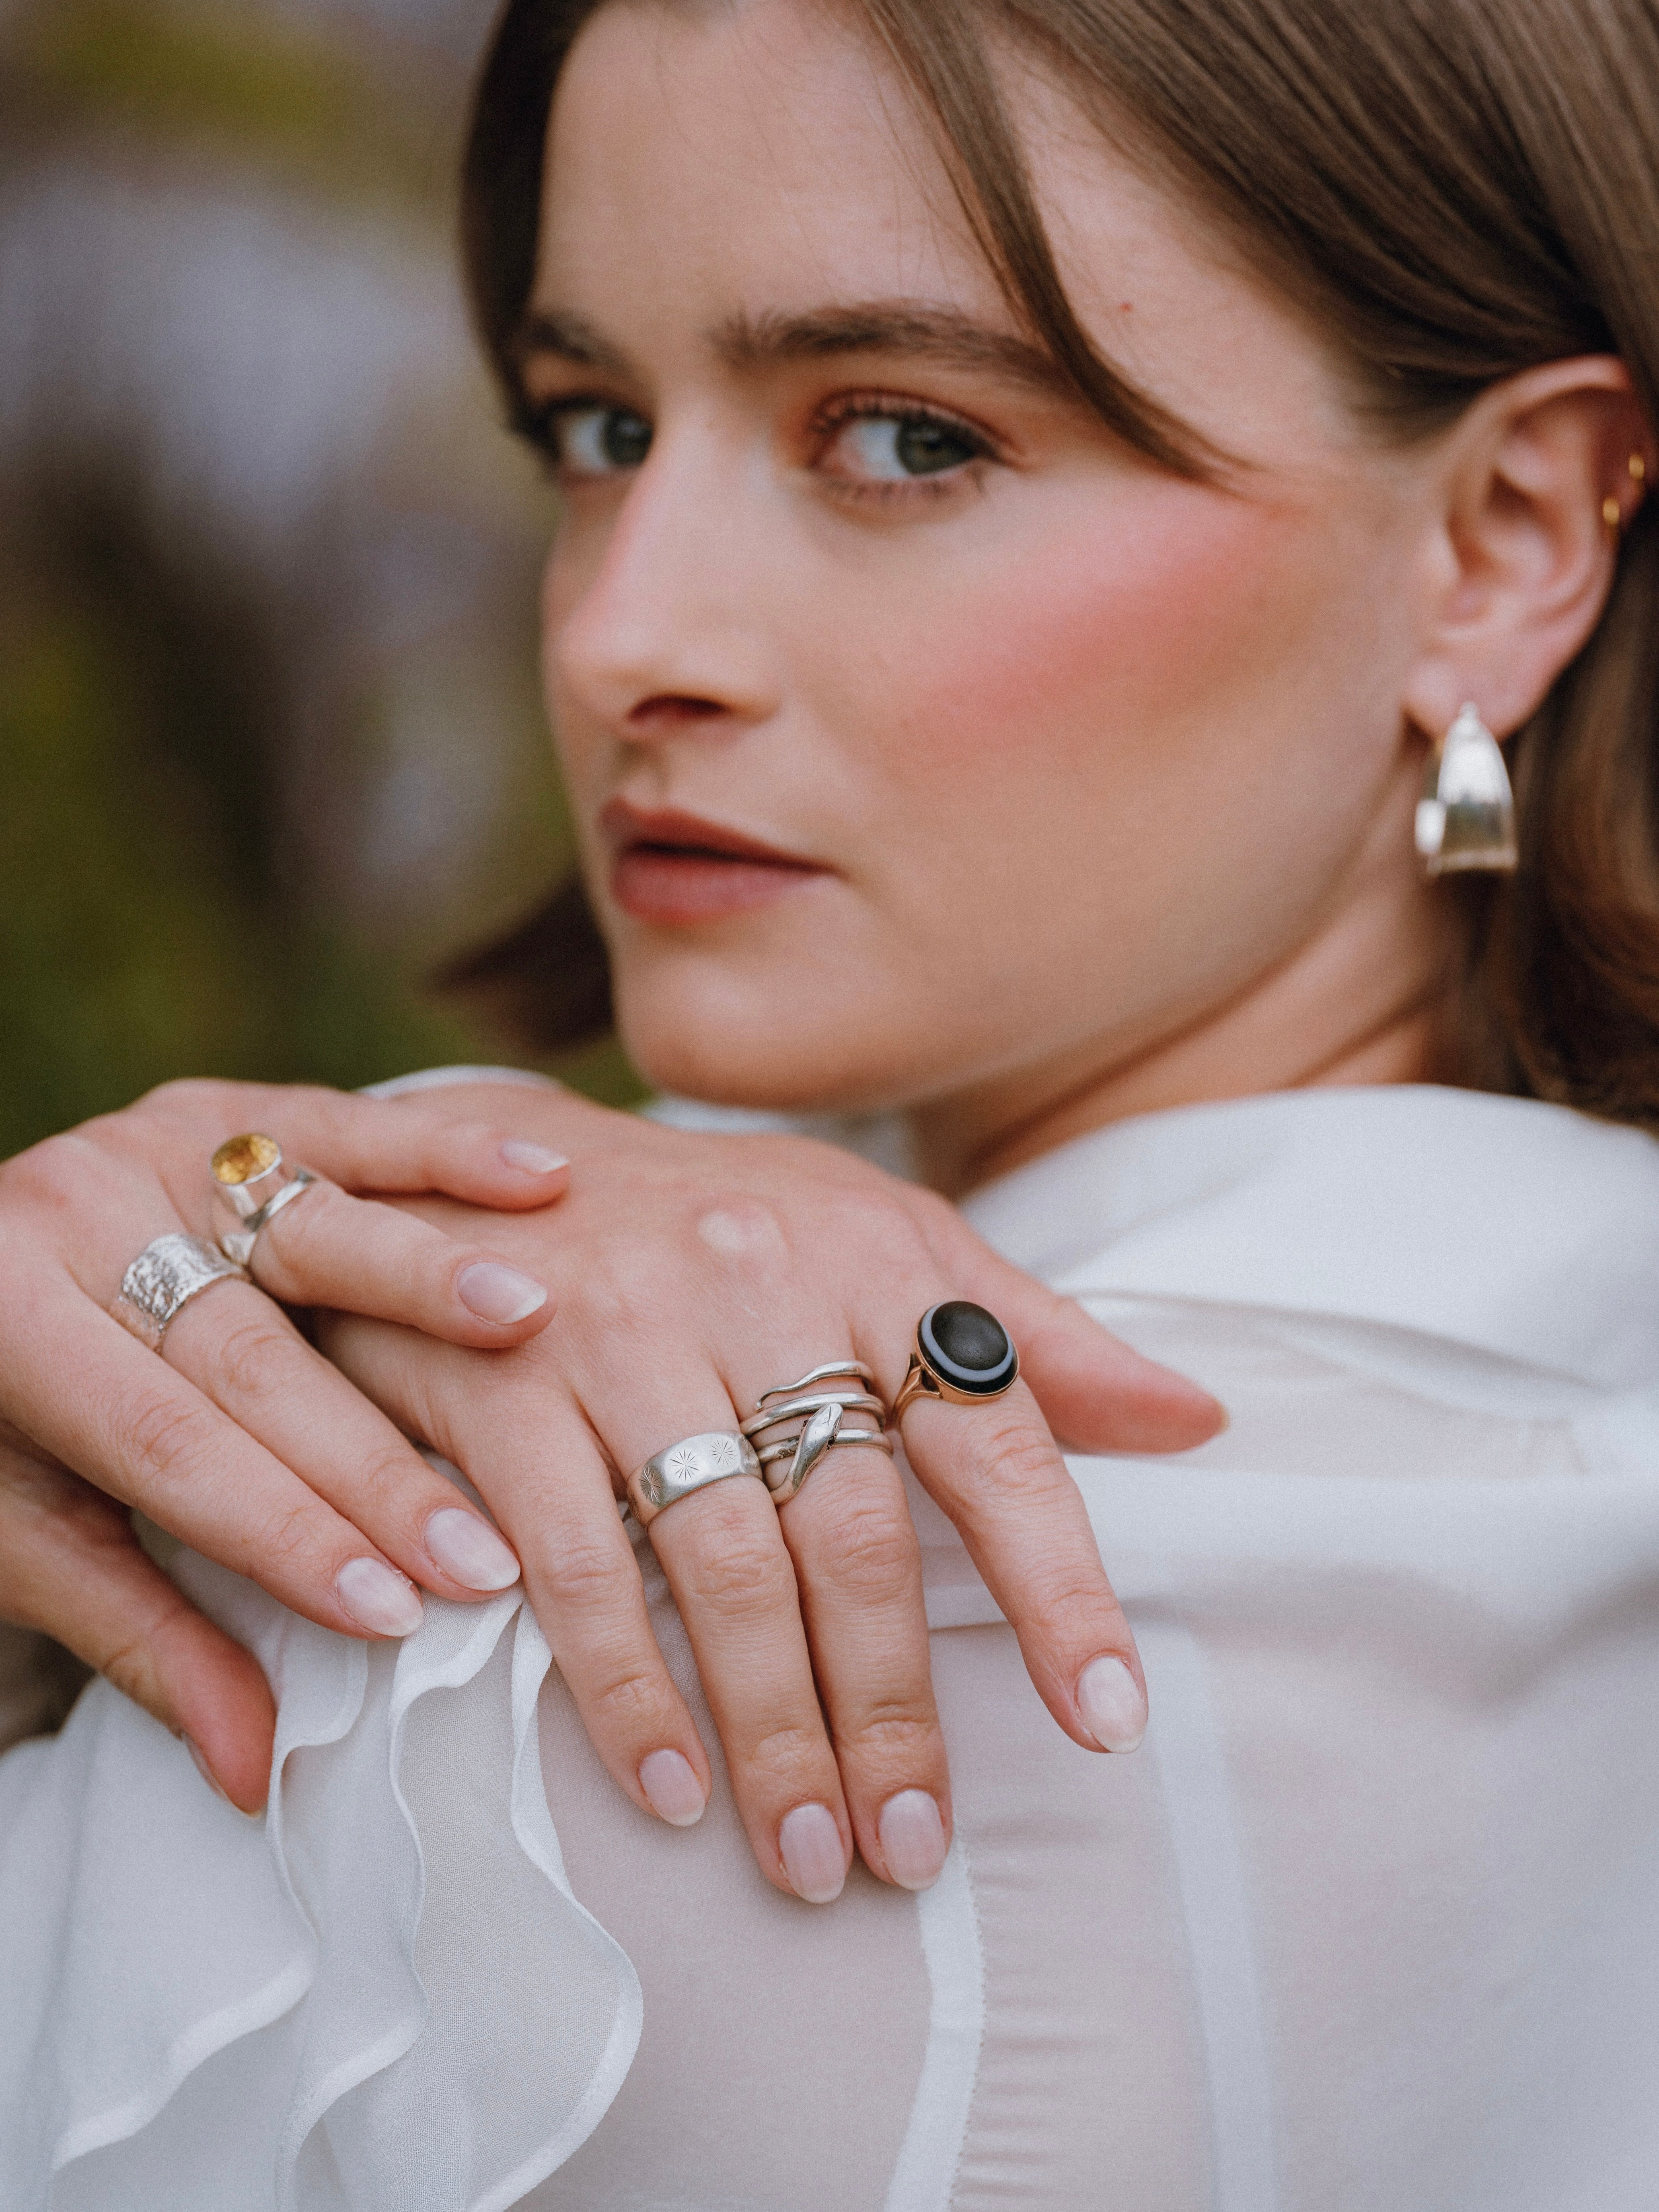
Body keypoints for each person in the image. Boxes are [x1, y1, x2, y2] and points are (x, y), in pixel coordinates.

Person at [4, 0, 1659, 2201]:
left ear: (1505, 538)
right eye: (594, 428)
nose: (622, 638)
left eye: (903, 438)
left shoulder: (584, 1673)